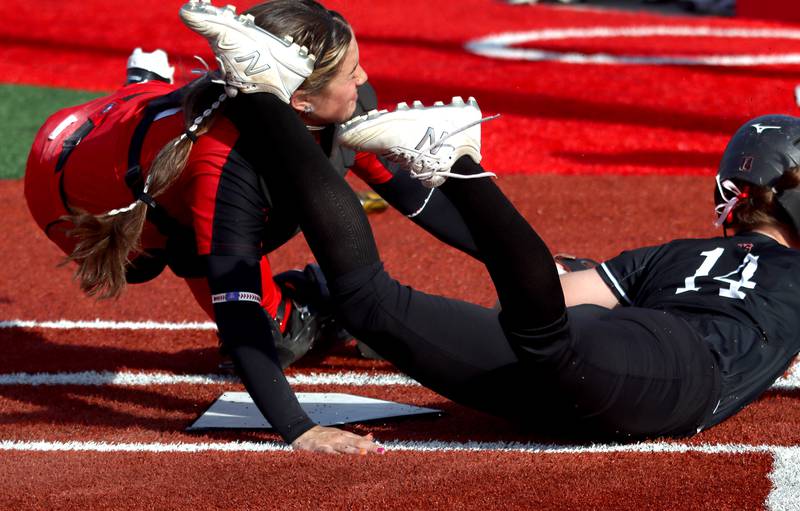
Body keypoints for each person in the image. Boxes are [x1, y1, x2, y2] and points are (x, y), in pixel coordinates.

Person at [191, 0, 800, 443]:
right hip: (667, 373)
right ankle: (457, 157)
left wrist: (553, 272)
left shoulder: (672, 254)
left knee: (370, 303)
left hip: (582, 379)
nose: (363, 80)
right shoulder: (785, 273)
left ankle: (263, 92)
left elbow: (554, 288)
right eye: (348, 72)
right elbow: (549, 304)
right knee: (550, 338)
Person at [24, 0, 492, 454]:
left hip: (144, 138)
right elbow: (238, 306)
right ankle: (320, 297)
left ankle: (145, 86)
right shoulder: (224, 163)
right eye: (351, 72)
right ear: (301, 100)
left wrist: (508, 256)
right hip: (66, 187)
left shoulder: (333, 105)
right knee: (274, 329)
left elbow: (412, 193)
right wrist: (298, 430)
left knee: (303, 187)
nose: (364, 79)